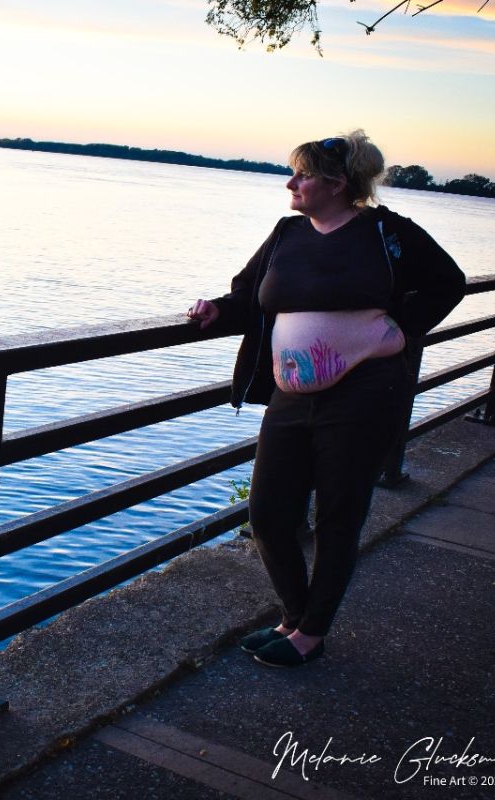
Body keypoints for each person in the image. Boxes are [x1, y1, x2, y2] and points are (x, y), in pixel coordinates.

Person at [187, 130, 465, 667]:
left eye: (303, 174)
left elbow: (448, 283)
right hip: (291, 396)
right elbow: (250, 296)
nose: (291, 183)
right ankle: (293, 616)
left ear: (338, 184)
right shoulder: (287, 234)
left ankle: (311, 634)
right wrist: (218, 310)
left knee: (338, 516)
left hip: (364, 394)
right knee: (268, 514)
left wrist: (401, 331)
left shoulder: (388, 233)